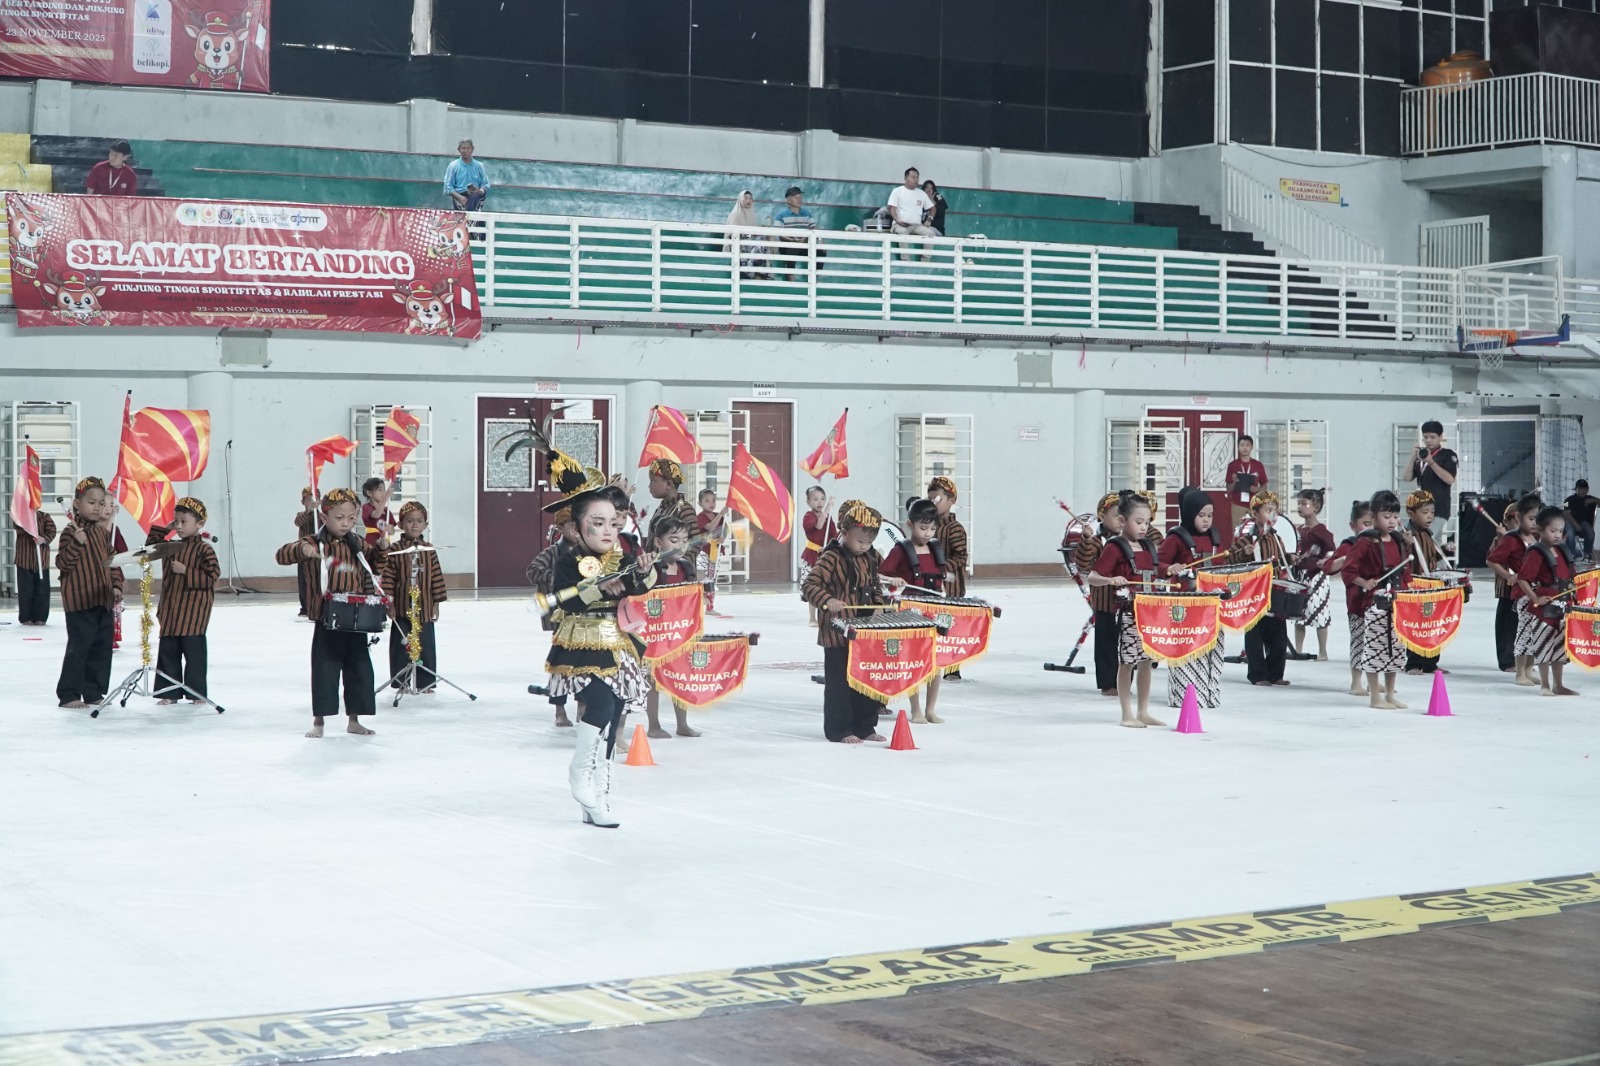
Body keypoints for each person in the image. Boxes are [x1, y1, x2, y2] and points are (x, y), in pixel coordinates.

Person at [545, 474, 658, 828]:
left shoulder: (622, 554)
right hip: (582, 642)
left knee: (616, 709)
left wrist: (644, 572)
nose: (608, 530)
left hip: (619, 642)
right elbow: (570, 601)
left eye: (613, 522)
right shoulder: (568, 559)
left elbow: (637, 590)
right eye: (597, 523)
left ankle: (600, 792)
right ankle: (580, 770)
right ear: (577, 529)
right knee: (601, 702)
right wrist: (596, 588)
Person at [276, 488, 386, 738]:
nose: (346, 523)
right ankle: (319, 722)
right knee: (325, 669)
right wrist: (300, 551)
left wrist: (381, 547)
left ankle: (354, 720)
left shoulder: (357, 543)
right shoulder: (314, 542)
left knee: (359, 669)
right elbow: (281, 555)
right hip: (328, 619)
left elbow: (376, 565)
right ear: (325, 517)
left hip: (356, 619)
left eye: (351, 517)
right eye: (339, 518)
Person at [801, 500, 891, 744]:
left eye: (869, 542)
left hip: (865, 630)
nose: (864, 546)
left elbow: (876, 586)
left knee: (866, 679)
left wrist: (880, 605)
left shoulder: (871, 556)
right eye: (860, 541)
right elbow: (809, 585)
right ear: (844, 532)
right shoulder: (831, 557)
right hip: (837, 631)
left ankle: (865, 726)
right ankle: (840, 729)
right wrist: (828, 600)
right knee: (840, 684)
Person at [1085, 493, 1162, 728]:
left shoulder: (1149, 546)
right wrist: (1111, 580)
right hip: (1128, 614)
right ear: (1122, 521)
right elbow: (1093, 576)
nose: (1143, 527)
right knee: (1127, 662)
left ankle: (1144, 710)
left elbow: (1157, 570)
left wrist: (1172, 569)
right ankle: (1126, 713)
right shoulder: (1115, 547)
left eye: (1147, 522)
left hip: (1149, 613)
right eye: (1138, 522)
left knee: (1147, 662)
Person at [55, 477, 123, 708]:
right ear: (77, 504)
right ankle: (68, 694)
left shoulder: (103, 533)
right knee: (79, 648)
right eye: (91, 502)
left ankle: (93, 692)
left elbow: (112, 561)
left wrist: (116, 586)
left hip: (102, 599)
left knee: (101, 648)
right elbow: (62, 564)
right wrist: (76, 543)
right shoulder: (70, 532)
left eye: (101, 503)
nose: (97, 507)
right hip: (80, 602)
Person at [147, 498, 220, 704]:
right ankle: (169, 693)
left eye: (184, 522)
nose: (179, 526)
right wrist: (165, 529)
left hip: (193, 613)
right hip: (171, 610)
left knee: (194, 657)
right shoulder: (170, 547)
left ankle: (196, 693)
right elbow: (150, 549)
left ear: (199, 524)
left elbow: (212, 576)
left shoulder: (205, 550)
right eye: (176, 521)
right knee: (168, 653)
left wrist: (187, 571)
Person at [880, 497, 947, 724]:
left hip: (935, 611)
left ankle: (931, 709)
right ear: (910, 525)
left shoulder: (936, 549)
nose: (928, 533)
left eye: (932, 528)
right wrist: (894, 579)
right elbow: (879, 574)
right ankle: (915, 709)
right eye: (923, 527)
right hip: (911, 613)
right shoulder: (901, 550)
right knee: (915, 661)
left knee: (936, 664)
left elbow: (941, 580)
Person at [1345, 490, 1412, 711]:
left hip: (1395, 602)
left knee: (1395, 649)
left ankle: (1390, 694)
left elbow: (1405, 573)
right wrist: (1364, 582)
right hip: (1372, 604)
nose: (1392, 521)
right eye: (1386, 516)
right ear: (1373, 517)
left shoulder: (1399, 541)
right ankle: (1375, 696)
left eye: (1394, 516)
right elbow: (1349, 571)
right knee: (1375, 650)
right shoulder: (1365, 542)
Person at [1158, 486, 1222, 711]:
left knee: (1210, 648)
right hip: (1185, 604)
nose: (1206, 521)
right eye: (1201, 515)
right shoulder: (1177, 538)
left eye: (1210, 516)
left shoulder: (1214, 537)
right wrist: (1170, 568)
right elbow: (1157, 563)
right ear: (1188, 513)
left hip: (1209, 603)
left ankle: (1208, 692)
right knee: (1187, 648)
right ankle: (1183, 694)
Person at [642, 516, 702, 740]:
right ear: (658, 542)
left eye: (685, 540)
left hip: (681, 632)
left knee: (681, 676)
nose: (680, 545)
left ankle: (682, 723)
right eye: (673, 539)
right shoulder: (651, 567)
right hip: (656, 633)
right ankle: (654, 724)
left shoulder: (686, 566)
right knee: (653, 679)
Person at [382, 501, 449, 693]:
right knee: (401, 646)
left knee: (426, 646)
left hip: (425, 607)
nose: (414, 525)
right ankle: (401, 681)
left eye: (419, 521)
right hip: (402, 608)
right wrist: (390, 603)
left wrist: (436, 603)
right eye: (409, 521)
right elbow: (388, 578)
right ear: (401, 524)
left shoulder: (429, 550)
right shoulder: (395, 550)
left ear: (425, 525)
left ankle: (425, 682)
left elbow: (436, 576)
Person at [1513, 506, 1580, 697]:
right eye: (1553, 531)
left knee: (1560, 647)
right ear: (1540, 529)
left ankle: (1559, 684)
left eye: (1560, 531)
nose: (1558, 535)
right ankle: (1545, 684)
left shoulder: (1563, 551)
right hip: (1544, 608)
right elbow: (1522, 579)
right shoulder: (1536, 552)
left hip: (1562, 606)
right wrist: (1535, 598)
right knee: (1543, 645)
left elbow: (1571, 577)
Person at [1229, 490, 1294, 686]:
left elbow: (1283, 559)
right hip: (1254, 593)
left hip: (1274, 590)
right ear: (1255, 515)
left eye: (1275, 511)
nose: (1272, 515)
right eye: (1267, 510)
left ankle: (1276, 674)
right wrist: (1244, 552)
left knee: (1278, 633)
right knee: (1255, 634)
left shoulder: (1276, 538)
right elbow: (1230, 558)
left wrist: (1291, 558)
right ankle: (1258, 675)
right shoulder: (1247, 537)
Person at [528, 505, 580, 727]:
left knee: (583, 665)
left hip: (582, 617)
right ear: (560, 527)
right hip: (561, 618)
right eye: (571, 526)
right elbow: (533, 570)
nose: (577, 530)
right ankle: (560, 710)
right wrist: (558, 578)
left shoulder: (588, 552)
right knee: (560, 663)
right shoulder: (551, 553)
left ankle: (583, 708)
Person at [1074, 492, 1126, 697]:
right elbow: (1083, 565)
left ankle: (1124, 680)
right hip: (1105, 602)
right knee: (1106, 644)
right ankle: (1108, 683)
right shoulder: (1097, 541)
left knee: (1126, 643)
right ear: (1102, 517)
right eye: (1116, 516)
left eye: (1124, 516)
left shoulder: (1129, 539)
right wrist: (1086, 539)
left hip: (1128, 603)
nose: (1121, 521)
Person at [1487, 495, 1541, 683]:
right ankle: (1519, 673)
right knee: (1523, 632)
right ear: (1518, 517)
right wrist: (1508, 575)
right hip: (1521, 593)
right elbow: (1491, 560)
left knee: (1535, 632)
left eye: (1537, 519)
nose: (1535, 523)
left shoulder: (1537, 538)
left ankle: (1529, 669)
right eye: (1531, 519)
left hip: (1537, 592)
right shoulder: (1511, 539)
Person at [1325, 500, 1374, 696]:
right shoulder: (1350, 544)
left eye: (1373, 523)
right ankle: (1356, 681)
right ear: (1353, 526)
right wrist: (1347, 558)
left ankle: (1374, 681)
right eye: (1366, 524)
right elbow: (1328, 567)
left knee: (1377, 642)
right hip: (1357, 602)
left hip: (1378, 602)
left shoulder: (1381, 542)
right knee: (1359, 642)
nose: (1370, 528)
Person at [1402, 490, 1449, 676]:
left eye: (1432, 512)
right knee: (1416, 626)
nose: (1430, 516)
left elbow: (1432, 556)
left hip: (1431, 586)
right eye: (1425, 512)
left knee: (1433, 625)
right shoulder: (1405, 534)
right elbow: (1401, 559)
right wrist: (1405, 545)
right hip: (1415, 588)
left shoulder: (1428, 534)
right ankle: (1413, 663)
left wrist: (1445, 549)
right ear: (1411, 514)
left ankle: (1431, 663)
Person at [927, 476, 969, 679]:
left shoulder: (955, 529)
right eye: (931, 499)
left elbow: (961, 556)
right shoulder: (928, 528)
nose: (934, 503)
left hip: (952, 588)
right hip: (931, 587)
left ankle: (953, 668)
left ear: (951, 500)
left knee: (952, 628)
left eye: (938, 499)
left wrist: (942, 569)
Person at [1293, 489, 1335, 661]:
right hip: (1300, 575)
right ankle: (1298, 648)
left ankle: (1323, 651)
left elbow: (1332, 552)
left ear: (1316, 507)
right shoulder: (1298, 530)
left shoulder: (1321, 531)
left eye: (1304, 503)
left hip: (1317, 576)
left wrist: (1324, 562)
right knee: (1298, 613)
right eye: (1299, 503)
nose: (1300, 506)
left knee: (1320, 611)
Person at [1400, 420, 1457, 537]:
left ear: (1440, 437)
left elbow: (1450, 479)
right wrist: (1412, 457)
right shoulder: (1421, 455)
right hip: (1423, 507)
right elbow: (1406, 477)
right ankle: (1436, 556)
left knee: (1426, 537)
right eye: (1425, 437)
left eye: (1432, 437)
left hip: (1439, 508)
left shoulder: (1447, 455)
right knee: (1433, 543)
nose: (1428, 440)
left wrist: (1431, 463)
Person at [12, 502, 56, 626]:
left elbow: (52, 531)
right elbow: (18, 528)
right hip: (24, 560)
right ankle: (26, 617)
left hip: (41, 561)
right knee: (25, 590)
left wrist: (44, 539)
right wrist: (28, 521)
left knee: (42, 591)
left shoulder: (45, 516)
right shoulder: (19, 517)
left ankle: (40, 617)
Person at [800, 485, 837, 624]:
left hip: (825, 555)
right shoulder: (808, 517)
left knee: (826, 586)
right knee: (813, 586)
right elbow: (818, 526)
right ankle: (812, 617)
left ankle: (826, 615)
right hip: (812, 556)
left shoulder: (828, 517)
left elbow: (834, 535)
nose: (819, 502)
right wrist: (827, 508)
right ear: (808, 501)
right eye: (815, 499)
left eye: (822, 499)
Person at [887, 167, 936, 260]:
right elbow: (892, 209)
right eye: (913, 177)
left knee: (930, 233)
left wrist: (929, 219)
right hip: (899, 225)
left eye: (917, 177)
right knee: (903, 232)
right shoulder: (897, 191)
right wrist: (898, 221)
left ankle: (925, 260)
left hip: (916, 226)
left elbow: (933, 209)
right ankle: (905, 260)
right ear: (905, 179)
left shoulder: (921, 193)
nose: (915, 180)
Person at [1224, 436, 1268, 536]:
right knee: (1237, 532)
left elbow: (1265, 485)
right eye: (1242, 445)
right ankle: (1237, 551)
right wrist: (1234, 482)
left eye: (1247, 445)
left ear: (1252, 447)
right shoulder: (1233, 465)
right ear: (1238, 447)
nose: (1245, 448)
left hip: (1254, 505)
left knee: (1256, 531)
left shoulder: (1258, 465)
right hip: (1237, 505)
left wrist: (1257, 489)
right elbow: (1228, 489)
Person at [772, 186, 817, 282]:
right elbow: (779, 233)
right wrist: (792, 240)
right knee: (793, 249)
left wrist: (818, 240)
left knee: (821, 251)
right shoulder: (781, 215)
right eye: (796, 197)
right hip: (788, 245)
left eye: (800, 197)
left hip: (804, 244)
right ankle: (791, 277)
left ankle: (815, 278)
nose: (799, 199)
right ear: (788, 201)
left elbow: (813, 228)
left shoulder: (807, 213)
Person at [645, 458, 695, 544]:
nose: (649, 486)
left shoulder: (684, 509)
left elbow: (694, 542)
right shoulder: (660, 509)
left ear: (668, 484)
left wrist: (681, 558)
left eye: (653, 481)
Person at [694, 488, 724, 616]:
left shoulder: (718, 516)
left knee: (712, 579)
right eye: (707, 501)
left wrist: (723, 538)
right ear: (700, 503)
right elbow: (710, 527)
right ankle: (697, 604)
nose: (711, 503)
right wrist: (721, 514)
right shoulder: (700, 517)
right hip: (703, 552)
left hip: (715, 553)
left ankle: (710, 607)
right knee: (702, 577)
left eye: (713, 500)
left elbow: (724, 530)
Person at [726, 190, 766, 279]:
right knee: (758, 243)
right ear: (741, 199)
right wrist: (749, 236)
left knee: (762, 241)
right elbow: (732, 235)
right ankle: (754, 272)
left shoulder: (752, 214)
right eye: (746, 198)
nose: (748, 201)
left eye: (750, 199)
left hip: (750, 244)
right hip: (737, 244)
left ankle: (759, 272)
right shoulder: (735, 214)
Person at [444, 139, 490, 210]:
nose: (466, 151)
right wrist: (459, 197)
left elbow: (486, 185)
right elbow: (447, 187)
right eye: (463, 148)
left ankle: (468, 219)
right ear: (459, 150)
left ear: (472, 149)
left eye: (468, 148)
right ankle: (469, 219)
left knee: (475, 197)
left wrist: (480, 191)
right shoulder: (453, 166)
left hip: (476, 197)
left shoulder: (479, 166)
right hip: (459, 198)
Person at [293, 487, 317, 619]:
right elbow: (298, 522)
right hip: (303, 553)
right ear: (303, 502)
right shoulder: (301, 515)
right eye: (308, 499)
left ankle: (318, 606)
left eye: (314, 498)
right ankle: (305, 608)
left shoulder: (323, 516)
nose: (312, 501)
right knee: (304, 581)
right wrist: (309, 511)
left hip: (319, 553)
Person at [1564, 479, 1595, 560]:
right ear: (1576, 489)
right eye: (1580, 489)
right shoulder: (1568, 500)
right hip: (1571, 522)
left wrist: (1593, 500)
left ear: (1587, 490)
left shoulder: (1590, 499)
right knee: (1570, 534)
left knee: (1591, 533)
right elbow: (1566, 514)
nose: (1582, 491)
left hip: (1584, 523)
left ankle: (1587, 555)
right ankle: (1571, 556)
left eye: (1585, 489)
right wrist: (1576, 525)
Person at [360, 478, 395, 548]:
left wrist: (390, 529)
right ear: (369, 493)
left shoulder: (386, 510)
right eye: (379, 490)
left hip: (385, 543)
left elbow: (393, 531)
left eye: (384, 490)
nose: (383, 493)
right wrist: (386, 498)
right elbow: (376, 515)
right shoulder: (367, 507)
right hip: (371, 543)